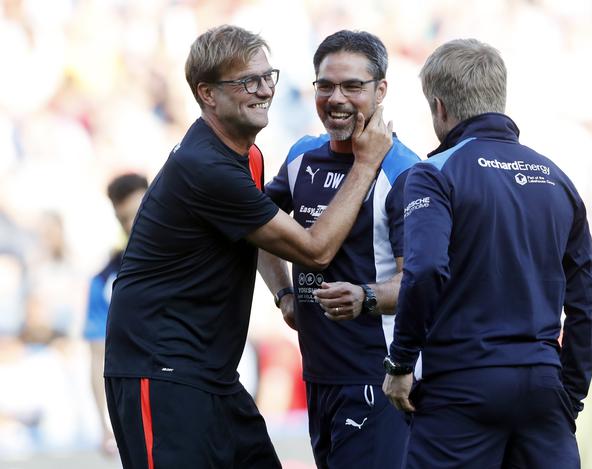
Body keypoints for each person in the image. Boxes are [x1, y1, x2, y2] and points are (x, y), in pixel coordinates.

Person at [104, 25, 393, 469]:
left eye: (267, 77)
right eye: (247, 82)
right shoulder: (207, 167)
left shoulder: (246, 155)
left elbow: (261, 231)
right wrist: (367, 162)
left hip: (212, 375)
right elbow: (315, 250)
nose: (263, 91)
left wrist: (283, 293)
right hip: (159, 372)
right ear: (207, 94)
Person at [382, 38, 592, 468]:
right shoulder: (555, 178)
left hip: (461, 387)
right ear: (498, 97)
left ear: (440, 108)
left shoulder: (433, 173)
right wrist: (568, 395)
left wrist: (401, 361)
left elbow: (424, 270)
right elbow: (587, 303)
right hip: (542, 387)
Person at [259, 30, 420, 469]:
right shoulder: (301, 157)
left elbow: (421, 283)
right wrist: (283, 294)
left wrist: (365, 297)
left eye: (353, 86)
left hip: (378, 378)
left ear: (381, 90)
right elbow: (254, 228)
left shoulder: (406, 171)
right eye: (325, 85)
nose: (337, 98)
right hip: (317, 374)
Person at [84, 173, 148, 455]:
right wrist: (104, 426)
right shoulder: (105, 279)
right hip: (137, 402)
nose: (132, 224)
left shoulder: (190, 257)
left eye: (139, 213)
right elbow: (98, 353)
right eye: (124, 218)